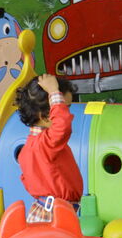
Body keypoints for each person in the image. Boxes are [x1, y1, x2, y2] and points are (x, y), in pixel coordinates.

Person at [16, 73, 83, 215]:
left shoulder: (30, 147)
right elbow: (62, 125)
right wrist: (53, 91)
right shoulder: (45, 143)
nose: (68, 114)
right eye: (64, 107)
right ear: (45, 117)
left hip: (48, 209)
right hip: (55, 213)